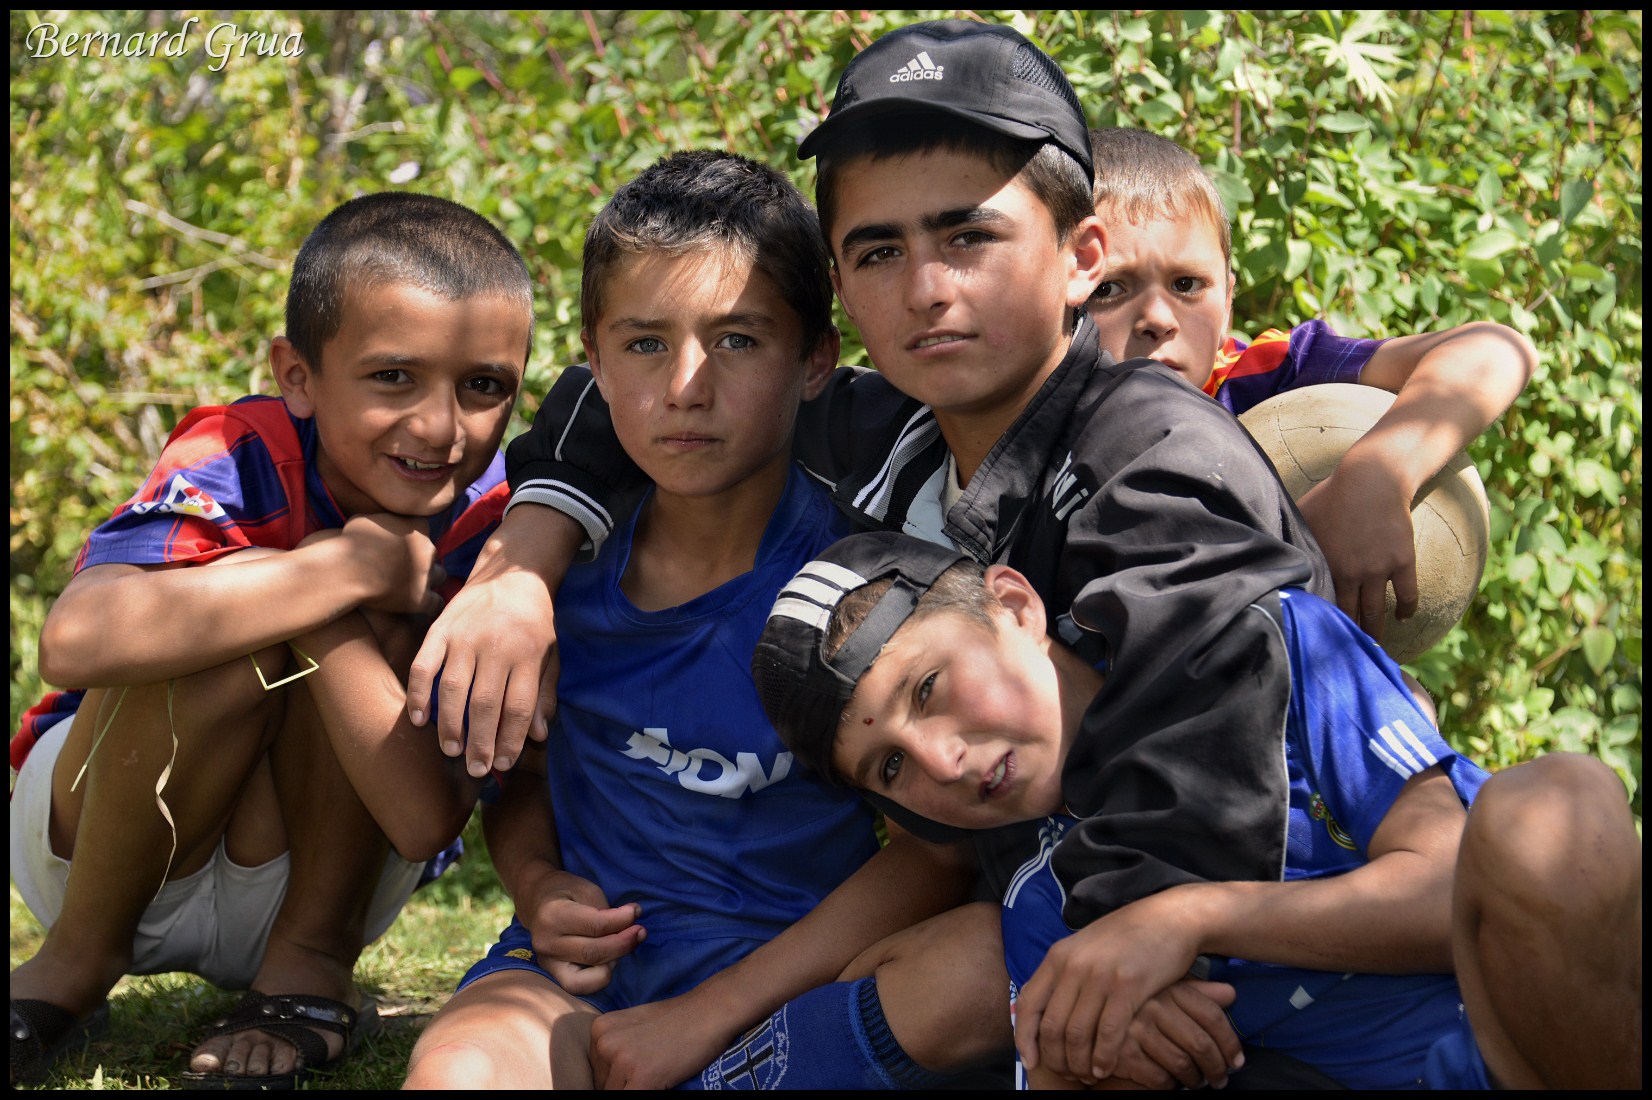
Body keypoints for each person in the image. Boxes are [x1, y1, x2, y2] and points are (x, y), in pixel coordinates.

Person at [408, 19, 1339, 1090]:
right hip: (1034, 929)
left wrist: (1121, 944)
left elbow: (1210, 772)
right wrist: (519, 567)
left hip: (1221, 954)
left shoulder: (1150, 468)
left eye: (968, 236)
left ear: (1082, 256)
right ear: (844, 300)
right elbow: (620, 387)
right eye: (880, 251)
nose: (927, 288)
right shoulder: (891, 428)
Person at [401, 149, 996, 1091]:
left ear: (815, 360)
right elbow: (527, 776)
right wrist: (540, 886)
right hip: (583, 985)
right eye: (645, 344)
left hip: (797, 984)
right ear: (594, 361)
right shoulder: (548, 585)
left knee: (979, 969)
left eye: (739, 341)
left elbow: (935, 854)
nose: (687, 385)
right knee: (459, 1073)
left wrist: (708, 1016)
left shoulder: (865, 581)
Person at [752, 529, 1642, 1090]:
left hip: (1539, 1043)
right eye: (891, 767)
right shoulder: (1044, 911)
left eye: (930, 688)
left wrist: (1187, 920)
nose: (942, 761)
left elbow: (1451, 887)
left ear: (1014, 605)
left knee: (1554, 806)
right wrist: (1094, 1050)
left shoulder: (1261, 648)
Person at [8, 192, 531, 1089]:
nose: (441, 428)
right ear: (298, 375)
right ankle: (76, 958)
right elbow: (75, 638)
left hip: (326, 874)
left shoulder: (504, 521)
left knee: (332, 622)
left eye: (483, 386)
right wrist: (343, 565)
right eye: (393, 376)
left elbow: (423, 822)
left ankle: (310, 964)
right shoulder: (238, 447)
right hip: (95, 842)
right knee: (223, 625)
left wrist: (326, 610)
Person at [1085, 126, 1537, 637]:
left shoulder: (1262, 375)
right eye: (1110, 289)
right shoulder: (1032, 426)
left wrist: (1376, 476)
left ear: (1228, 302)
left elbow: (1497, 350)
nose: (1158, 318)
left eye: (1187, 284)